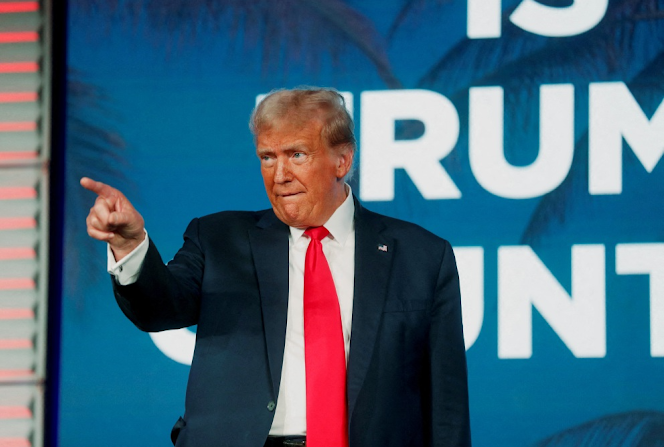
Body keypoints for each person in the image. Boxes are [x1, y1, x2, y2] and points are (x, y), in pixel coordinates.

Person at [82, 87, 471, 447]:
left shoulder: (420, 256)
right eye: (268, 157)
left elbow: (447, 403)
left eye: (296, 154)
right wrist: (130, 244)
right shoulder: (219, 238)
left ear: (342, 160)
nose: (280, 175)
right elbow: (161, 307)